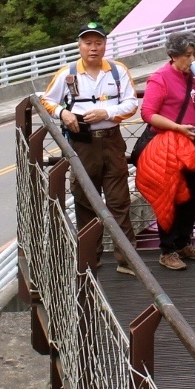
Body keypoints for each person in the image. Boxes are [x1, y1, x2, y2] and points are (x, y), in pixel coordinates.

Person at [40, 22, 140, 274]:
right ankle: (88, 260)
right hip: (82, 142)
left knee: (119, 201)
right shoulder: (67, 73)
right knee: (85, 201)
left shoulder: (118, 71)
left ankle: (127, 261)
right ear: (79, 45)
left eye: (98, 43)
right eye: (88, 43)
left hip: (112, 139)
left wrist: (106, 112)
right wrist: (64, 113)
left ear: (105, 45)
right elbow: (46, 102)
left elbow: (131, 104)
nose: (93, 48)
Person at [136, 31, 195, 271]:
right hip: (168, 149)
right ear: (173, 56)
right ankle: (167, 250)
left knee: (190, 197)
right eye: (187, 55)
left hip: (192, 146)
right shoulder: (160, 78)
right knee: (170, 198)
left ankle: (184, 242)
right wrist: (177, 128)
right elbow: (148, 114)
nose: (192, 59)